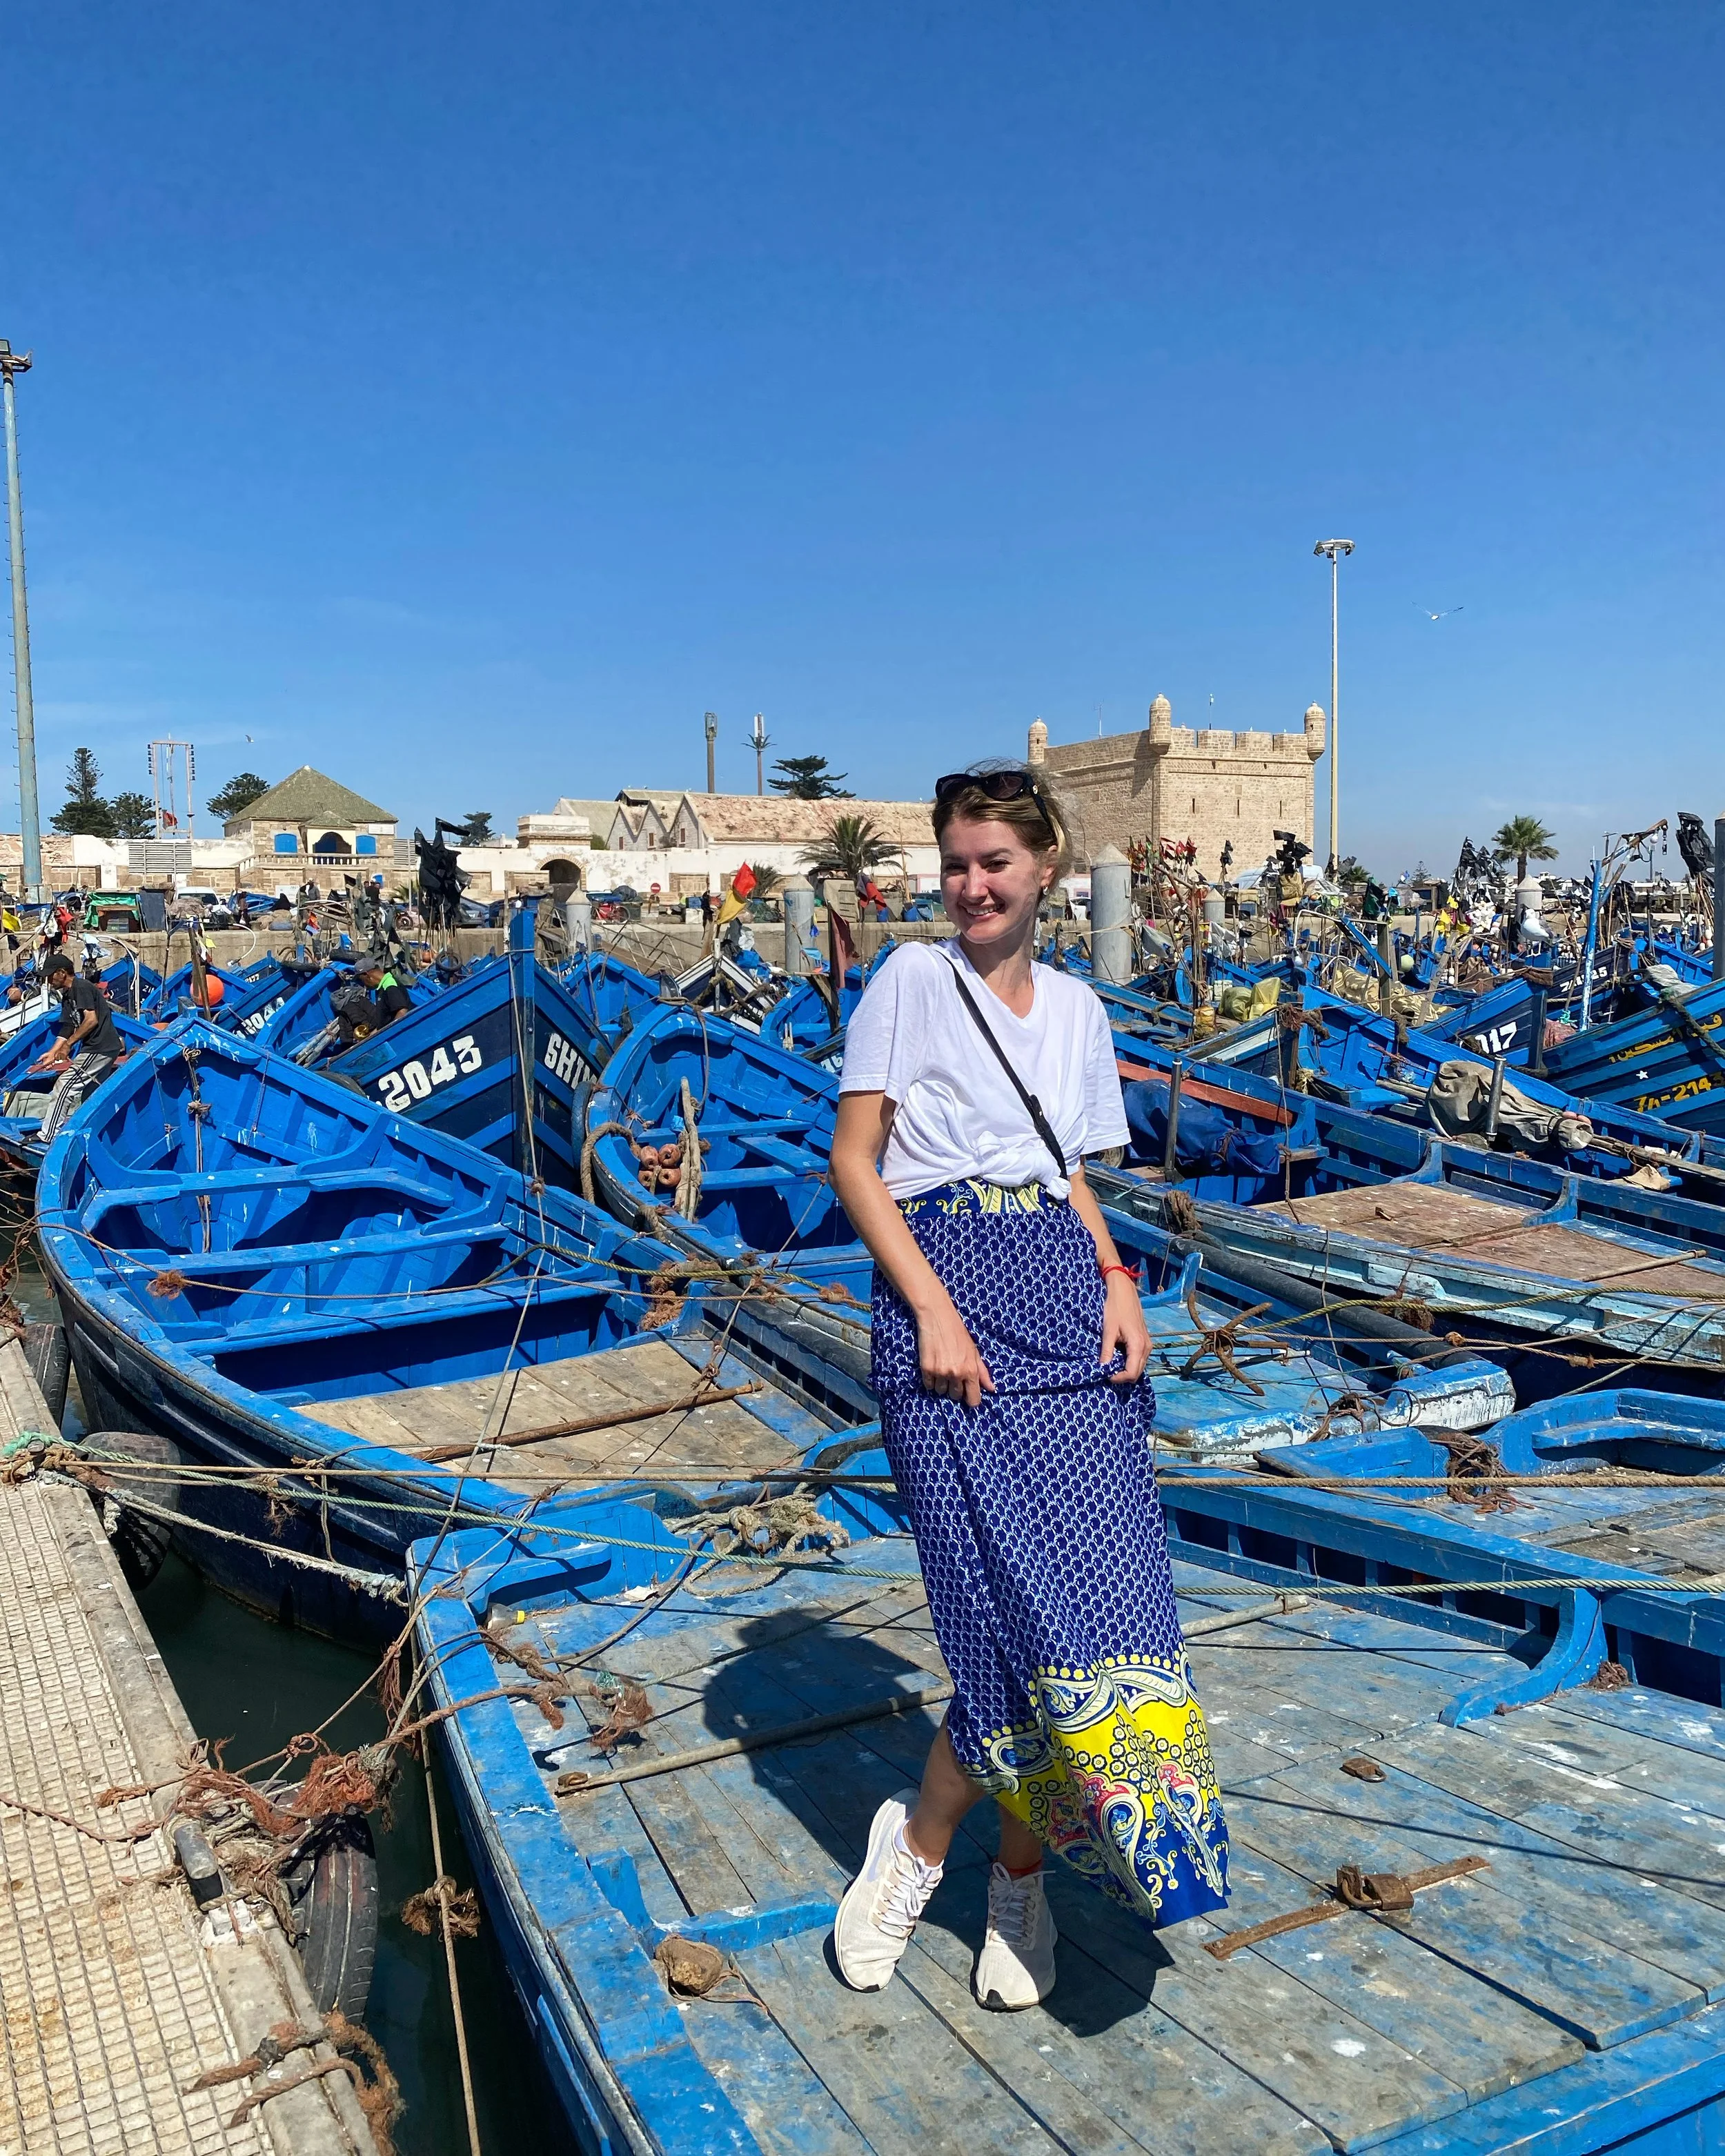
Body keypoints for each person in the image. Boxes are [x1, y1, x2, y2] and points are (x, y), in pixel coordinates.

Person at [827, 763, 1230, 2011]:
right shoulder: (910, 981)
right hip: (942, 1304)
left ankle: (1014, 1875)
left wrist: (1116, 1272)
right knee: (996, 1632)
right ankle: (938, 1857)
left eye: (994, 862)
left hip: (1064, 1297)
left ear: (1048, 866)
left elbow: (1064, 1173)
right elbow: (856, 1163)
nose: (970, 886)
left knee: (1112, 1614)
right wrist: (934, 1309)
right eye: (954, 864)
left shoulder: (1076, 1012)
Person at [32, 949, 126, 1146]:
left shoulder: (81, 987)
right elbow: (68, 1026)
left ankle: (48, 1135)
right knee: (91, 1094)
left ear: (62, 973)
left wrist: (67, 1046)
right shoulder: (67, 995)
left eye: (51, 976)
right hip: (96, 1048)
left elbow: (91, 1020)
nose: (49, 981)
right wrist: (52, 1052)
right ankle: (94, 1134)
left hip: (100, 1047)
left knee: (64, 1085)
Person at [331, 957, 411, 1045]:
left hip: (396, 1040)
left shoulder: (390, 985)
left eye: (361, 980)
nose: (363, 984)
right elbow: (382, 1024)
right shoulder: (381, 988)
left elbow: (402, 1011)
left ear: (366, 975)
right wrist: (368, 1038)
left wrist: (392, 1034)